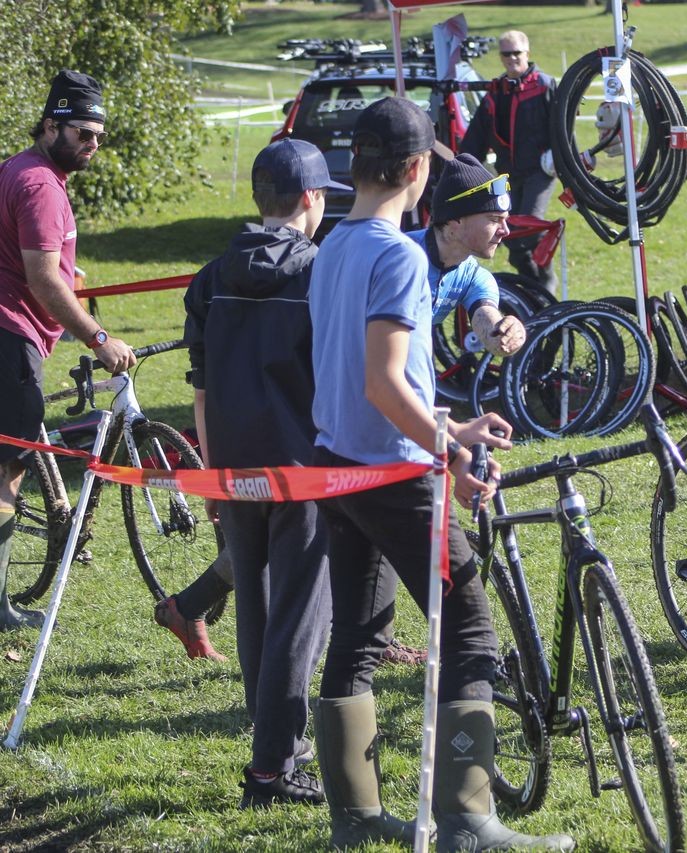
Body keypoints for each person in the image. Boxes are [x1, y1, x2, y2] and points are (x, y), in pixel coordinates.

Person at [308, 96, 572, 851]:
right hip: (390, 471)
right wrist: (448, 450)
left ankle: (356, 820)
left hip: (341, 463)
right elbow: (386, 382)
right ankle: (467, 817)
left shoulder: (336, 243)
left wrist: (448, 426)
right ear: (420, 172)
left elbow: (364, 376)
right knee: (469, 626)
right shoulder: (394, 253)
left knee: (358, 635)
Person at [154, 155, 527, 667]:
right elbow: (365, 376)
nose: (505, 228)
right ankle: (285, 716)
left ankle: (207, 622)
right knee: (307, 586)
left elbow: (485, 312)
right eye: (494, 217)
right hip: (334, 438)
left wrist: (504, 330)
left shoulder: (461, 270)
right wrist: (449, 442)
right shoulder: (380, 259)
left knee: (296, 571)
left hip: (295, 440)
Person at [184, 137, 350, 808]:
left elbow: (199, 389)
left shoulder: (211, 277)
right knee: (299, 618)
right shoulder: (321, 273)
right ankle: (273, 767)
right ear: (310, 200)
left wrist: (213, 472)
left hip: (232, 463)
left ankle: (272, 746)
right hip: (302, 469)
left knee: (255, 605)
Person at [0, 69, 135, 632]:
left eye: (99, 136)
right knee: (6, 474)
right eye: (83, 133)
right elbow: (41, 279)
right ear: (52, 124)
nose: (93, 145)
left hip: (10, 332)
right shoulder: (40, 185)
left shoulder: (19, 169)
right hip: (9, 334)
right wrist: (98, 338)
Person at [459, 30, 558, 292]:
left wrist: (559, 156)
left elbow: (562, 127)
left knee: (529, 228)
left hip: (540, 171)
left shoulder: (546, 86)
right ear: (501, 57)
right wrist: (462, 170)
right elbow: (475, 139)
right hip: (508, 175)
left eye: (517, 53)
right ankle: (533, 290)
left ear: (527, 53)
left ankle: (546, 284)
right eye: (507, 53)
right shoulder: (495, 94)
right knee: (512, 240)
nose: (512, 58)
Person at [408, 152, 527, 355]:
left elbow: (489, 328)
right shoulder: (400, 258)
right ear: (456, 220)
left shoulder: (472, 276)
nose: (505, 231)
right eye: (494, 219)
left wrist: (508, 333)